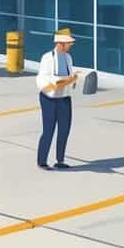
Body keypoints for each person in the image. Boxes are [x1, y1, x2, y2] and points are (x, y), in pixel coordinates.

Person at [36, 31, 81, 170]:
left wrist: (73, 79)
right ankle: (42, 161)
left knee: (64, 130)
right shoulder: (47, 58)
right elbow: (44, 78)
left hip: (64, 98)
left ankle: (60, 160)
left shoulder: (68, 57)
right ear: (60, 44)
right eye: (69, 43)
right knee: (48, 130)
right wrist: (63, 80)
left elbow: (69, 75)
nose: (70, 45)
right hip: (49, 98)